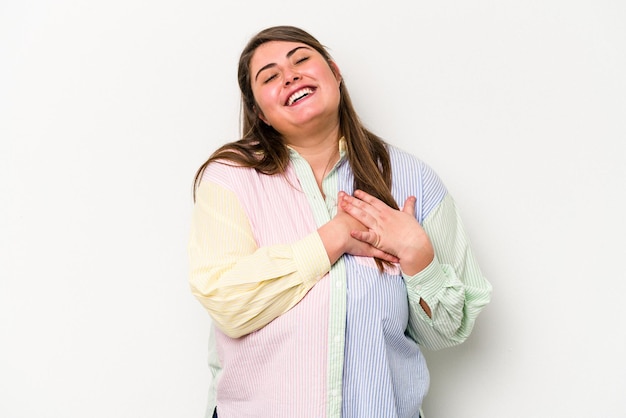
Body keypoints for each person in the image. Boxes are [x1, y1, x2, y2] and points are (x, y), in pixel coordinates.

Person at [188, 25, 492, 418]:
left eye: (301, 60)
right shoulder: (229, 178)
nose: (290, 75)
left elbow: (447, 332)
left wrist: (418, 258)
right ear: (259, 112)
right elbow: (226, 302)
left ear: (334, 72)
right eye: (270, 76)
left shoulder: (412, 180)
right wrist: (335, 236)